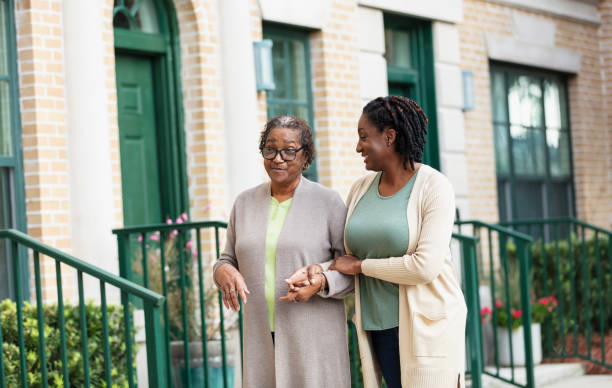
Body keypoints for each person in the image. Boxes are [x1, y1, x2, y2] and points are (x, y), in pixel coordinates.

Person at [288, 96, 467, 388]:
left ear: (390, 137)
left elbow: (424, 267)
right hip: (378, 329)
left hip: (426, 331)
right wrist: (317, 274)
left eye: (363, 137)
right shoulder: (360, 189)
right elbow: (348, 257)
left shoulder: (434, 187)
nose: (358, 147)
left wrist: (361, 266)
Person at [213, 115, 353, 388]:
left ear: (305, 156)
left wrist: (322, 281)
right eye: (270, 149)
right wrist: (223, 272)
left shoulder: (328, 202)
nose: (278, 158)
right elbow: (226, 259)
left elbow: (351, 269)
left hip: (313, 339)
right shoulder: (244, 203)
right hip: (260, 338)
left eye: (289, 151)